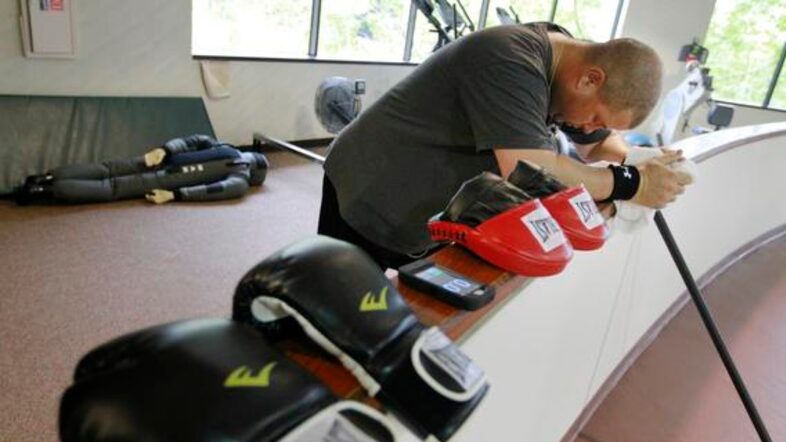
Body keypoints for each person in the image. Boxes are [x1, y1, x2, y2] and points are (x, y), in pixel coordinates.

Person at [319, 22, 692, 269]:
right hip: (370, 182)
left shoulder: (570, 72)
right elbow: (527, 167)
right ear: (590, 80)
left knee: (409, 296)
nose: (587, 127)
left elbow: (598, 147)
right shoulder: (508, 58)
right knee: (333, 305)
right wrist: (632, 182)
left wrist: (642, 163)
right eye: (595, 116)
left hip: (428, 197)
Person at [13, 134, 269, 206]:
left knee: (107, 169)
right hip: (167, 177)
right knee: (110, 188)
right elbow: (217, 190)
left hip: (158, 161)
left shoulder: (225, 146)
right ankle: (42, 191)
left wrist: (165, 150)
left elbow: (195, 140)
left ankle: (47, 176)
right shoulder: (241, 175)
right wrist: (177, 195)